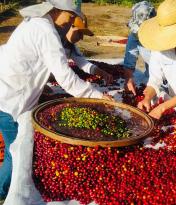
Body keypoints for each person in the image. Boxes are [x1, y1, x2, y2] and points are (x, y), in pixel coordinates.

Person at [0, 0, 112, 200]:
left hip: (11, 89)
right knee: (14, 152)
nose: (70, 23)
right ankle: (3, 191)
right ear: (57, 10)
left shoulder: (37, 23)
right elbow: (65, 77)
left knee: (19, 150)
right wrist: (96, 96)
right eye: (70, 17)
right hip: (9, 98)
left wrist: (41, 90)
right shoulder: (45, 30)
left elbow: (32, 64)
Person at [123, 1, 155, 95]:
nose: (140, 34)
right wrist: (129, 79)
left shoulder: (168, 37)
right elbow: (130, 59)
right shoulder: (135, 34)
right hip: (152, 78)